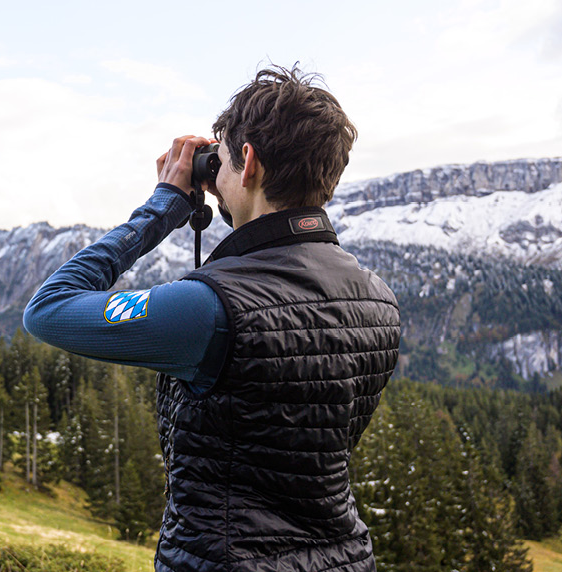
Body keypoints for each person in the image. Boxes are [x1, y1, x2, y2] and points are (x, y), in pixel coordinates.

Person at [23, 65, 400, 572]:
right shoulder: (378, 300)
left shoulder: (209, 309)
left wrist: (161, 208)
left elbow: (49, 309)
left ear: (248, 163)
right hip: (344, 559)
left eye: (218, 161)